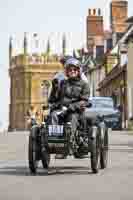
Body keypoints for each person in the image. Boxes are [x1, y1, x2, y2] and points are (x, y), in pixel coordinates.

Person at [48, 57, 90, 135]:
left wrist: (71, 107)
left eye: (74, 70)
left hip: (75, 111)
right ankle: (54, 138)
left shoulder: (84, 84)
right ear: (67, 72)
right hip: (62, 110)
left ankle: (71, 139)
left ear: (78, 71)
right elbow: (53, 100)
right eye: (70, 70)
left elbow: (84, 100)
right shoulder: (63, 83)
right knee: (53, 115)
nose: (72, 71)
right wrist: (54, 89)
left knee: (72, 118)